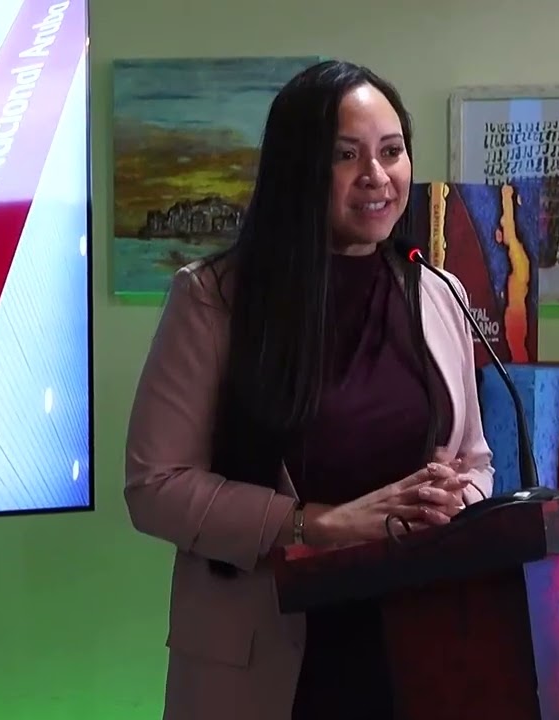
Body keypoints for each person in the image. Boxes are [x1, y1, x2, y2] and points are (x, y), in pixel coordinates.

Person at [123, 59, 495, 720]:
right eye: (346, 156)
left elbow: (475, 461)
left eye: (391, 151)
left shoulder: (439, 293)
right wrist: (314, 525)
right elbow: (156, 486)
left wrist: (456, 498)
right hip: (268, 656)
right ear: (299, 170)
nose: (376, 176)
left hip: (416, 644)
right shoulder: (213, 298)